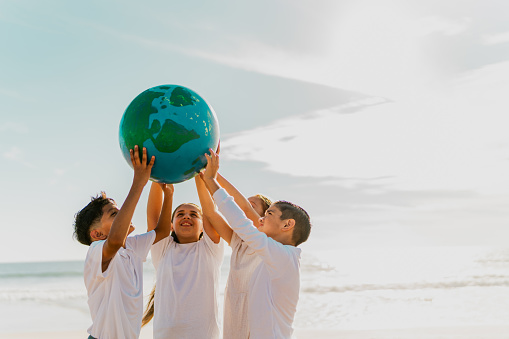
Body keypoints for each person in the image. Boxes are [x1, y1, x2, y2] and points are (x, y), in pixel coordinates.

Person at [200, 149, 312, 339]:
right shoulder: (274, 257)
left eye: (268, 214)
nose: (260, 219)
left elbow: (242, 222)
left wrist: (211, 180)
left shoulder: (284, 256)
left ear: (287, 224)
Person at [73, 146, 173, 339]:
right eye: (114, 215)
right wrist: (138, 183)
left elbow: (162, 231)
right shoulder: (96, 252)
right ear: (97, 234)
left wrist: (168, 195)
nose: (123, 217)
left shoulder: (132, 247)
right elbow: (116, 240)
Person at [142, 179, 224, 339]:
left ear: (202, 227)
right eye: (180, 214)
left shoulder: (211, 249)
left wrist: (202, 177)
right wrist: (158, 178)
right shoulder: (163, 249)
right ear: (171, 225)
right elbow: (154, 218)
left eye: (194, 215)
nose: (187, 217)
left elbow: (210, 211)